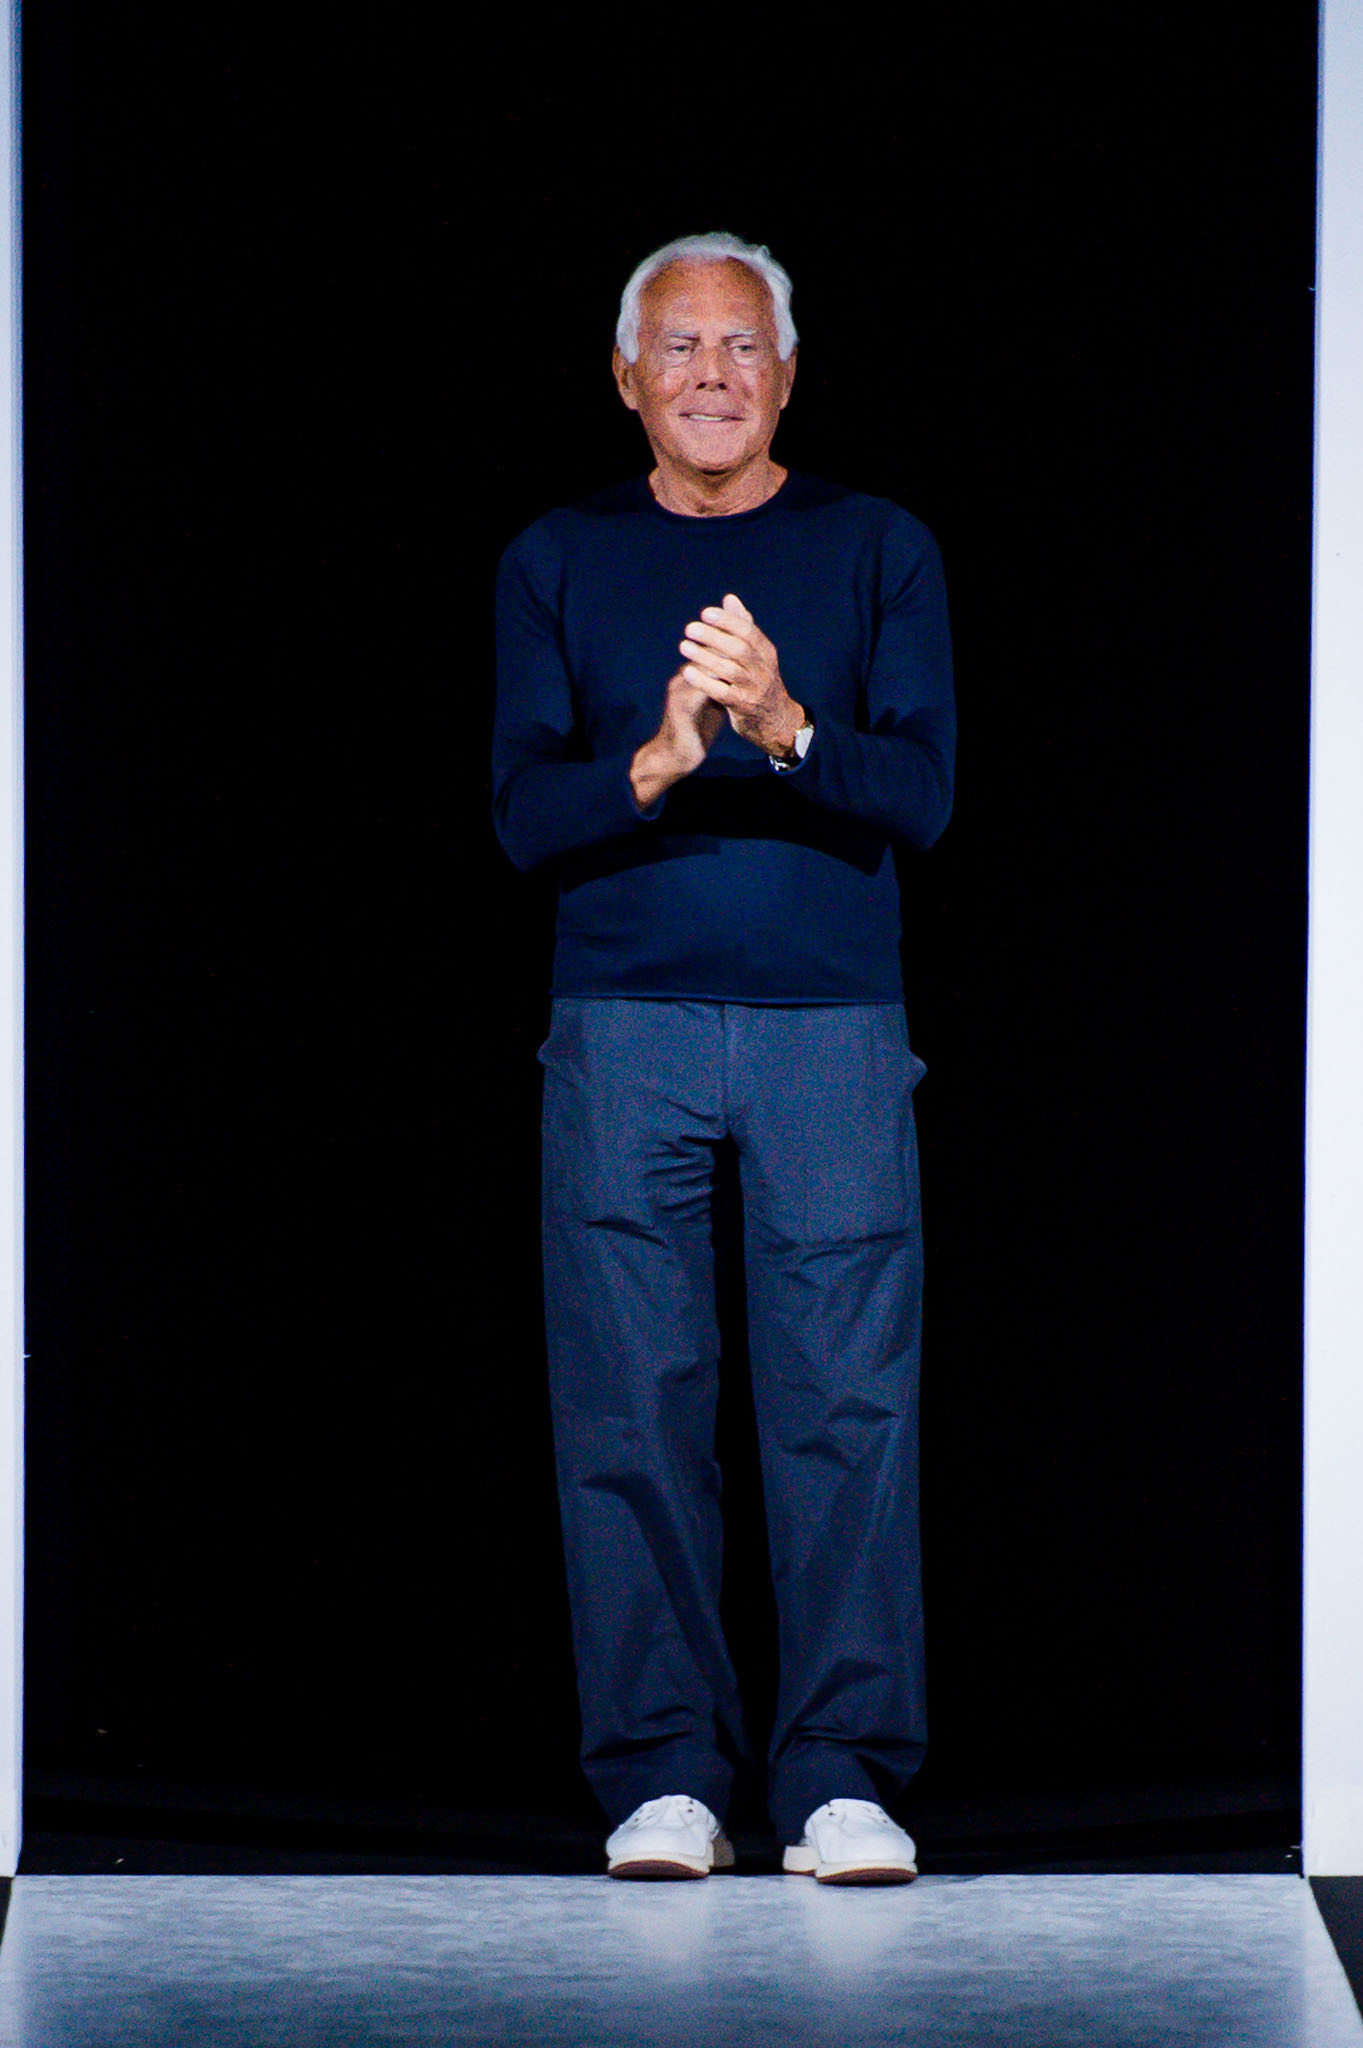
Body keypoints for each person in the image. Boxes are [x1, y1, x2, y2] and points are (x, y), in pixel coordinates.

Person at [491, 231, 955, 1884]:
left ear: (787, 374)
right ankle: (666, 1776)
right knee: (631, 1409)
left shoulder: (876, 544)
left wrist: (786, 726)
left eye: (741, 346)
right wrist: (661, 757)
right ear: (627, 376)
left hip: (835, 1034)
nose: (711, 374)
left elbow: (923, 796)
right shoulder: (559, 555)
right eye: (679, 347)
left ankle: (840, 1778)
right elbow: (520, 815)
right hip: (623, 1031)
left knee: (848, 1409)